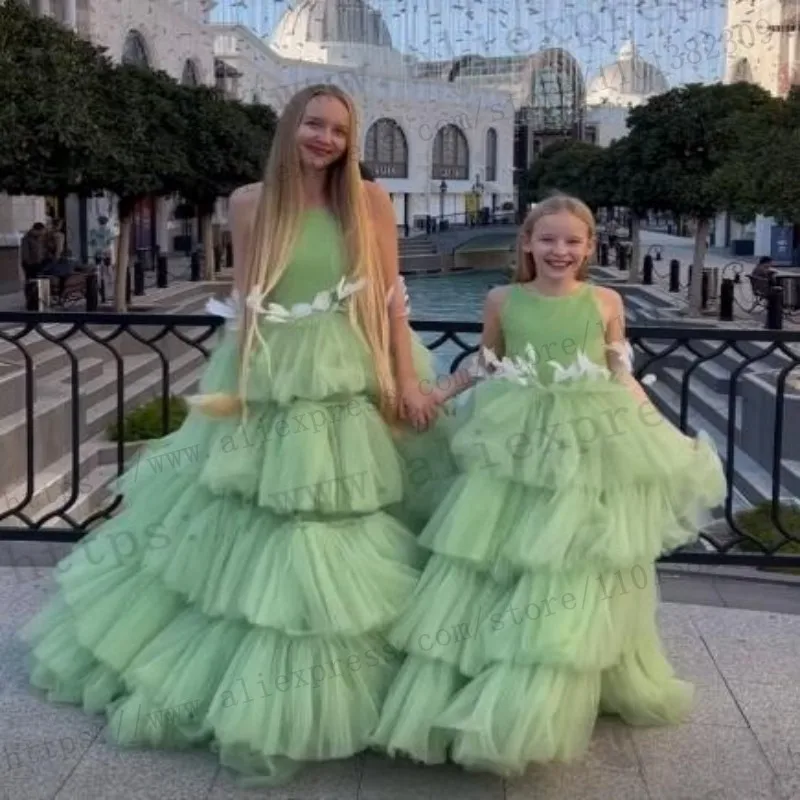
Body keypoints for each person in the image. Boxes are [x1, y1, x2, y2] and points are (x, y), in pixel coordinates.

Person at [20, 84, 451, 787]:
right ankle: (253, 688)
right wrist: (241, 387)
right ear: (290, 127)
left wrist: (402, 382)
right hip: (273, 373)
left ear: (351, 141)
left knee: (345, 519)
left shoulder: (368, 202)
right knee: (253, 520)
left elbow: (389, 299)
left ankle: (356, 682)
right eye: (314, 124)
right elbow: (250, 302)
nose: (324, 139)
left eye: (339, 131)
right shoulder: (250, 202)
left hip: (349, 373)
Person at [371, 194, 727, 777]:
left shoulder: (605, 301)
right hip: (515, 437)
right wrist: (435, 395)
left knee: (571, 562)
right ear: (528, 244)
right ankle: (496, 674)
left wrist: (661, 430)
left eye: (572, 242)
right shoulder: (503, 299)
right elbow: (486, 362)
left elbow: (620, 375)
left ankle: (556, 679)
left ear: (588, 248)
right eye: (548, 240)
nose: (559, 251)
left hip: (587, 443)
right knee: (500, 555)